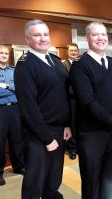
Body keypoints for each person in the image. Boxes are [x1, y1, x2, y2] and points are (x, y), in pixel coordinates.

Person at [69, 22, 112, 199]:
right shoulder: (80, 66)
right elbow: (88, 102)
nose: (100, 38)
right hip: (91, 135)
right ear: (87, 38)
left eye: (103, 34)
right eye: (95, 35)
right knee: (92, 181)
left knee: (111, 178)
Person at [14, 19, 72, 199]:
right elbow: (28, 107)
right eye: (37, 35)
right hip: (38, 134)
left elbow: (63, 95)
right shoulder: (25, 65)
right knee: (34, 182)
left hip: (58, 131)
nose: (42, 38)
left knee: (54, 179)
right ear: (27, 39)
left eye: (45, 34)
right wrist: (47, 138)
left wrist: (67, 125)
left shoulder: (54, 61)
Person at [0, 44, 25, 186]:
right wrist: (11, 89)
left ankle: (19, 167)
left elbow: (21, 89)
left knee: (17, 140)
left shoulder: (14, 70)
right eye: (1, 53)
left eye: (6, 53)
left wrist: (5, 87)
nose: (4, 55)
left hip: (15, 109)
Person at [62, 43, 79, 160]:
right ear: (67, 52)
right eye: (71, 50)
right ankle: (72, 149)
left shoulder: (81, 64)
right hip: (69, 99)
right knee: (71, 124)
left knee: (80, 123)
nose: (73, 52)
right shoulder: (62, 65)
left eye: (75, 50)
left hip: (81, 100)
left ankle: (80, 146)